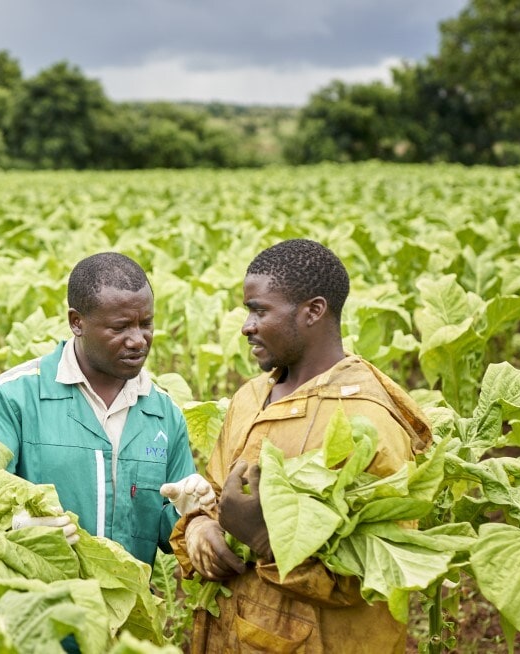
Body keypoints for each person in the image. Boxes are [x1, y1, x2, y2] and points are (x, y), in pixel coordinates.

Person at [170, 239, 432, 653]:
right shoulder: (252, 395)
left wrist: (264, 540)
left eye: (260, 310)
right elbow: (216, 495)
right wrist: (201, 529)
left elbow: (380, 574)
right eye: (247, 311)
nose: (246, 326)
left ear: (313, 311)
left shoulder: (368, 421)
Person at [0, 252, 209, 567]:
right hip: (29, 604)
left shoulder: (162, 412)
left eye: (146, 324)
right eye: (120, 327)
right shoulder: (13, 397)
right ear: (77, 322)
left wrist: (186, 513)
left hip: (122, 608)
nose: (138, 340)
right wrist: (14, 523)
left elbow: (165, 532)